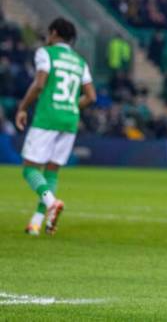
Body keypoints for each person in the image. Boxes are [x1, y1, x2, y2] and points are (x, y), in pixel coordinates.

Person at [15, 18, 97, 236]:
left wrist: (23, 107)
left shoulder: (45, 53)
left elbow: (40, 83)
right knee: (52, 171)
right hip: (69, 120)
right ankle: (36, 222)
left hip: (47, 117)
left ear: (53, 33)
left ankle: (51, 202)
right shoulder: (80, 62)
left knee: (30, 168)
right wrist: (70, 106)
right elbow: (91, 96)